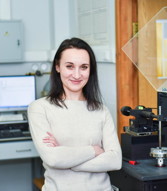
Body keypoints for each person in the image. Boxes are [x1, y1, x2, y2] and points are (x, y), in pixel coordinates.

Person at [28, 37, 122, 191]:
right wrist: (94, 150)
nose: (77, 75)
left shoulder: (101, 110)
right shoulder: (39, 108)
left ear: (90, 70)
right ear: (58, 67)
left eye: (84, 67)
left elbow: (115, 161)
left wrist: (69, 161)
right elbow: (53, 158)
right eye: (70, 66)